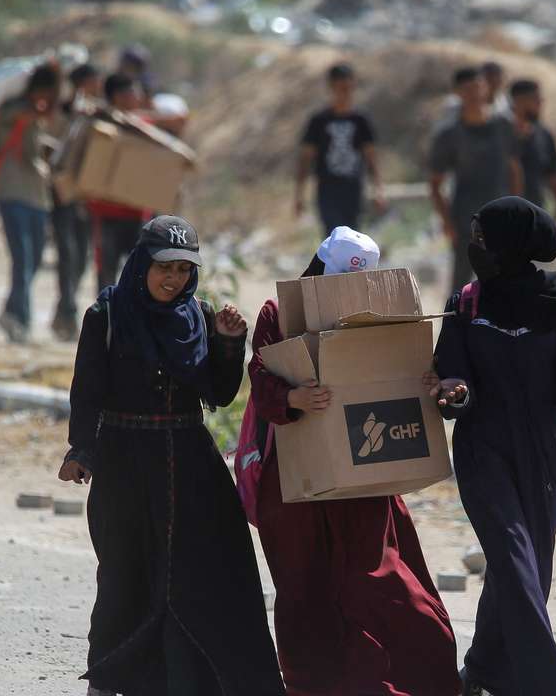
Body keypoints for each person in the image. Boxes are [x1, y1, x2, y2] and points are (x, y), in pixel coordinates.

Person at [59, 215, 285, 696]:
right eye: (165, 267)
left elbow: (220, 396)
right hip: (124, 462)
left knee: (205, 571)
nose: (174, 279)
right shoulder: (108, 315)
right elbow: (87, 391)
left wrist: (227, 343)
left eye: (184, 269)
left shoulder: (198, 317)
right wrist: (82, 449)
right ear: (142, 263)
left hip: (190, 464)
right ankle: (108, 678)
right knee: (124, 573)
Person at [248, 227, 461, 696]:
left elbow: (402, 370)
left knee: (383, 583)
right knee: (306, 591)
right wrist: (295, 397)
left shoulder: (381, 314)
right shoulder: (279, 314)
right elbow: (261, 378)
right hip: (297, 485)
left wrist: (424, 382)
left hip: (365, 481)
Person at [431, 196, 556, 696]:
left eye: (483, 239)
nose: (475, 248)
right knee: (511, 556)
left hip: (543, 448)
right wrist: (455, 393)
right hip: (482, 444)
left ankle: (482, 670)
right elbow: (451, 372)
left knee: (533, 569)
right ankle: (548, 686)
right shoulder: (466, 302)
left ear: (512, 243)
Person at [429, 67, 522, 293]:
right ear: (457, 93)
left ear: (486, 88)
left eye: (478, 87)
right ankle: (456, 326)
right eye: (467, 89)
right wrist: (447, 222)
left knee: (506, 280)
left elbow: (515, 170)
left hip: (502, 216)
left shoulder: (504, 126)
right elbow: (435, 183)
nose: (474, 94)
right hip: (466, 219)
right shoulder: (448, 134)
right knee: (462, 283)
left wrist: (519, 209)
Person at [0, 64, 60, 344]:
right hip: (13, 194)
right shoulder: (14, 110)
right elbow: (7, 126)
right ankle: (21, 321)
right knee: (23, 259)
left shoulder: (38, 118)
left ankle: (10, 312)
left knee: (33, 260)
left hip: (37, 198)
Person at [294, 63, 385, 232]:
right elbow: (305, 159)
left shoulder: (360, 120)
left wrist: (378, 190)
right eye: (341, 88)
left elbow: (371, 157)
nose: (345, 93)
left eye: (348, 88)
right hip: (328, 190)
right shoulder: (319, 121)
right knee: (333, 238)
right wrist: (299, 195)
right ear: (332, 88)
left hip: (353, 189)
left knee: (353, 239)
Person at [49, 63, 102, 341]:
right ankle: (67, 315)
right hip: (62, 195)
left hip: (85, 198)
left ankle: (62, 314)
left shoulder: (97, 113)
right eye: (92, 82)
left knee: (80, 257)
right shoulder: (64, 112)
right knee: (68, 255)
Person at [87, 73, 151, 292]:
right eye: (134, 92)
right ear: (119, 96)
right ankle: (106, 322)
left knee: (139, 276)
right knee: (106, 275)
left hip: (137, 214)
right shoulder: (101, 126)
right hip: (107, 213)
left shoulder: (144, 127)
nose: (138, 97)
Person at [509, 79, 556, 218]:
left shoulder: (544, 135)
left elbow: (553, 174)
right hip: (502, 215)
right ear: (519, 101)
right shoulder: (499, 131)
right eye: (535, 99)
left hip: (534, 214)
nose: (540, 103)